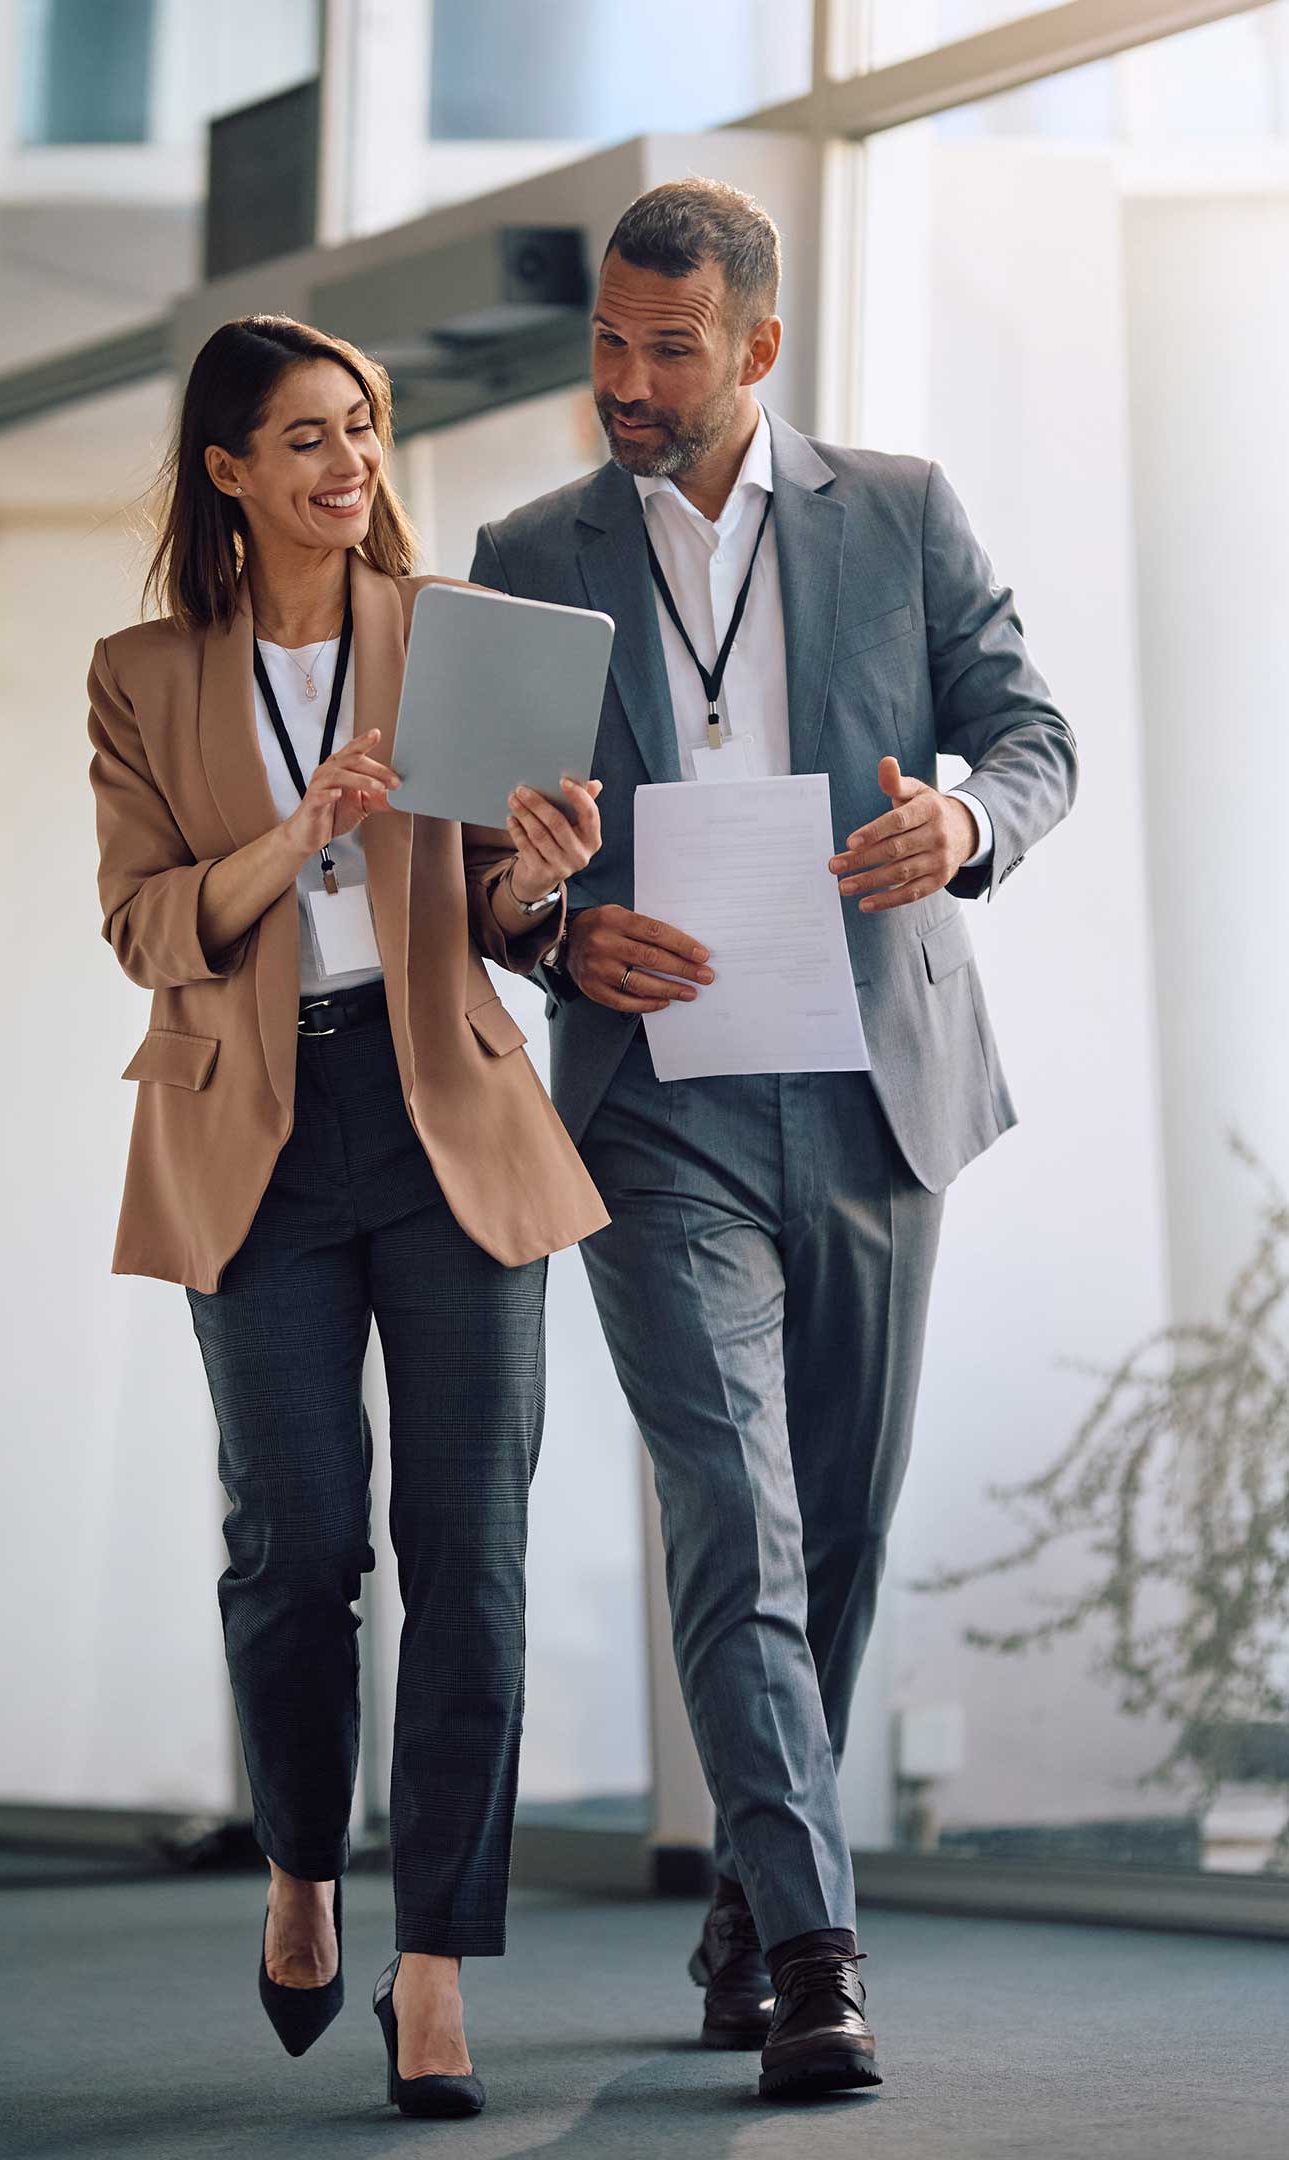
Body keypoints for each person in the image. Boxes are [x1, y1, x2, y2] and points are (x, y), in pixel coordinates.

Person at [470, 179, 1077, 2100]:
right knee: (735, 1507)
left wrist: (964, 826)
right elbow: (465, 877)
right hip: (657, 1106)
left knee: (843, 1517)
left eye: (668, 348)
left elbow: (1033, 735)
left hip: (875, 1078)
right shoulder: (520, 552)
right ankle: (817, 1952)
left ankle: (750, 1883)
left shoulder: (899, 512)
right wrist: (554, 924)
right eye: (606, 346)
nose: (627, 384)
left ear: (757, 348)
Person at [85, 314, 609, 2119]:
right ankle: (305, 1865)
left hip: (444, 1105)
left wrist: (537, 874)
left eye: (364, 429)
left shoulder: (447, 634)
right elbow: (147, 924)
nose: (348, 464)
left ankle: (440, 1964)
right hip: (257, 1132)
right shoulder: (144, 675)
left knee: (472, 1550)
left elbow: (497, 910)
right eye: (307, 437)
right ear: (228, 470)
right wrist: (290, 832)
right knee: (298, 1548)